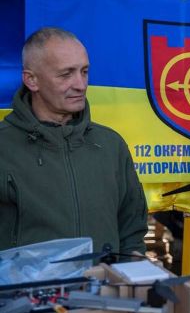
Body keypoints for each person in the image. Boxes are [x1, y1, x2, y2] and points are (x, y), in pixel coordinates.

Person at [0, 27, 148, 254]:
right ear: (31, 80)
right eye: (66, 74)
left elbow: (132, 231)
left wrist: (127, 269)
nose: (81, 84)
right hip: (22, 279)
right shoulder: (4, 146)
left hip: (104, 278)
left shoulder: (111, 145)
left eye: (84, 71)